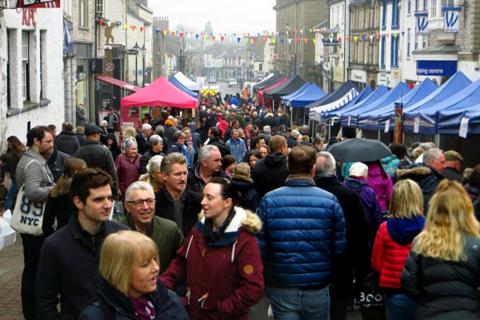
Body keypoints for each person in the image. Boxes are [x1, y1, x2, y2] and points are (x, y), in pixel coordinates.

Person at [257, 145, 346, 320]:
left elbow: (259, 244)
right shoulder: (329, 200)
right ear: (313, 168)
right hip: (317, 284)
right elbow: (339, 246)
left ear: (289, 167)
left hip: (282, 282)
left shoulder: (269, 200)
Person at [160, 177, 264, 320]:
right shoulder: (198, 231)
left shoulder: (244, 239)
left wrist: (222, 309)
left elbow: (253, 288)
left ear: (227, 202)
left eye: (210, 198)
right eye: (203, 196)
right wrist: (162, 285)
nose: (203, 202)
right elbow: (180, 262)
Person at [36, 168, 128, 320]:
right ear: (78, 201)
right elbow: (45, 301)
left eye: (110, 198)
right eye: (99, 199)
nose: (108, 205)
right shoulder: (55, 245)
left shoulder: (122, 236)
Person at [401, 180, 480, 319]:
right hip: (469, 313)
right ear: (466, 209)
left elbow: (409, 281)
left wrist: (424, 297)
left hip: (430, 311)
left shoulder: (421, 242)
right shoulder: (476, 242)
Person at [78, 231, 189, 320]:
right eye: (145, 264)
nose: (156, 268)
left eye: (155, 259)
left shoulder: (169, 299)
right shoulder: (96, 316)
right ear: (120, 270)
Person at [314, 152, 370, 320]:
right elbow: (361, 229)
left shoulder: (311, 193)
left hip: (314, 262)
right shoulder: (349, 195)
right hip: (343, 262)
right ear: (334, 170)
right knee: (338, 306)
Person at [15, 126, 55, 320]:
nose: (51, 145)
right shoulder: (33, 164)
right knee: (34, 270)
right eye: (48, 141)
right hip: (36, 228)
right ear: (36, 142)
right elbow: (32, 192)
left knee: (32, 268)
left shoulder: (33, 160)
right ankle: (33, 313)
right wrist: (54, 190)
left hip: (35, 226)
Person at [371, 179, 425, 320]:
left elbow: (376, 264)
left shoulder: (384, 228)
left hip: (393, 288)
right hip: (422, 289)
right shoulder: (428, 229)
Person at [120, 182, 183, 273]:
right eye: (139, 202)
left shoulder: (169, 230)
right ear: (127, 206)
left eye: (150, 201)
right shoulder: (116, 233)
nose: (145, 207)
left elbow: (182, 261)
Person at [156, 153, 202, 236]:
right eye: (178, 174)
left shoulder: (198, 200)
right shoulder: (154, 203)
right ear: (164, 176)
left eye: (185, 173)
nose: (183, 179)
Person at [43, 157, 87, 236]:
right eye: (84, 170)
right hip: (77, 236)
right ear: (76, 172)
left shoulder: (55, 191)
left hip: (61, 235)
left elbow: (46, 222)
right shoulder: (78, 193)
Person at [74, 123, 119, 198]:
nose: (99, 137)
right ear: (95, 135)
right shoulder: (104, 151)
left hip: (85, 191)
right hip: (103, 188)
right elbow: (112, 172)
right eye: (99, 135)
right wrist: (115, 192)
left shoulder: (78, 151)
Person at [343, 162, 383, 245]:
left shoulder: (342, 188)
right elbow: (377, 215)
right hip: (366, 234)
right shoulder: (369, 191)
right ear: (365, 176)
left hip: (346, 234)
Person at [396, 148, 445, 212]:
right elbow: (429, 207)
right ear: (431, 162)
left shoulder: (407, 174)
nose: (444, 166)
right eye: (442, 162)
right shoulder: (430, 179)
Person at [0, 135, 25, 211]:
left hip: (17, 178)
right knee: (15, 196)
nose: (8, 145)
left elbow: (12, 165)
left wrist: (3, 165)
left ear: (13, 143)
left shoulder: (18, 154)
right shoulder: (14, 153)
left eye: (9, 143)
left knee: (9, 196)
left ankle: (7, 213)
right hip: (15, 178)